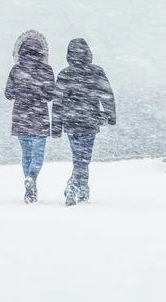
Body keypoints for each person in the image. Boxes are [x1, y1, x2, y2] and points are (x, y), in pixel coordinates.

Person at [52, 38, 116, 206]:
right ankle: (73, 185)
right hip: (89, 122)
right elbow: (107, 95)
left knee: (79, 157)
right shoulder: (96, 72)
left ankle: (83, 188)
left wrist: (57, 127)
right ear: (88, 53)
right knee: (83, 158)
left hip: (71, 122)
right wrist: (111, 115)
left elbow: (57, 103)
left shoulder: (64, 74)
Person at [5, 30, 55, 204]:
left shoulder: (16, 70)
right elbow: (50, 95)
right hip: (39, 118)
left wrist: (22, 89)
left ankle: (29, 185)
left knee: (26, 153)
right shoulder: (46, 70)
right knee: (37, 154)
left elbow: (8, 94)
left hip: (21, 118)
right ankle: (32, 177)